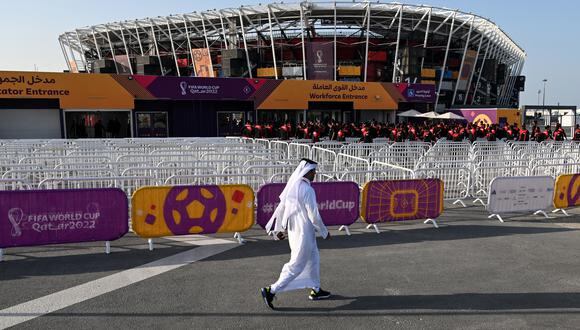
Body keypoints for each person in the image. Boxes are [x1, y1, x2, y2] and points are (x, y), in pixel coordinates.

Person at [261, 159, 331, 309]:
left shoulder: (294, 186)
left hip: (297, 232)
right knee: (296, 265)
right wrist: (325, 232)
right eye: (313, 171)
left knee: (314, 259)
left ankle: (316, 289)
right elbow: (314, 216)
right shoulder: (307, 190)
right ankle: (271, 290)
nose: (315, 174)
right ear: (308, 171)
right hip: (303, 234)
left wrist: (280, 229)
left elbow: (283, 209)